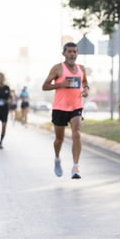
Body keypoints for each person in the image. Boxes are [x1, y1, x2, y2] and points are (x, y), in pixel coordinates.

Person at [42, 42, 90, 179]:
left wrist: (86, 90)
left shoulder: (81, 68)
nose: (72, 54)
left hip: (76, 106)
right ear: (63, 53)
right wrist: (60, 84)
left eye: (74, 52)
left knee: (77, 134)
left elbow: (85, 82)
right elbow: (44, 86)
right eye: (69, 51)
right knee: (59, 139)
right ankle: (57, 158)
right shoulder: (58, 68)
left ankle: (75, 167)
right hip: (60, 108)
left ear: (77, 53)